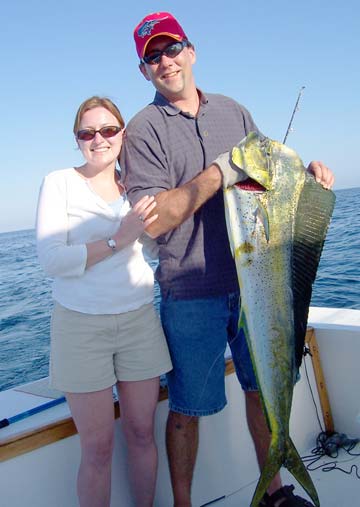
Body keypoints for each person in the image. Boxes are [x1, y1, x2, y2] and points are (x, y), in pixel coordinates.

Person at [121, 11, 336, 507]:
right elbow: (154, 220)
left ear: (191, 52)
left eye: (172, 49)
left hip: (258, 280)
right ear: (144, 71)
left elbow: (271, 173)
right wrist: (219, 173)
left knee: (263, 392)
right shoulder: (143, 130)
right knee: (186, 409)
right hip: (191, 291)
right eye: (152, 56)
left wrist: (306, 174)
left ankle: (274, 494)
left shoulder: (234, 112)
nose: (165, 61)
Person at [35, 96, 172, 507]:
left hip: (139, 322)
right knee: (96, 448)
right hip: (81, 327)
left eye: (109, 130)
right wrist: (118, 240)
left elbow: (155, 246)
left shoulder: (138, 185)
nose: (99, 139)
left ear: (122, 134)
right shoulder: (59, 182)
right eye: (87, 133)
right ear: (76, 140)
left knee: (142, 434)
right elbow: (52, 260)